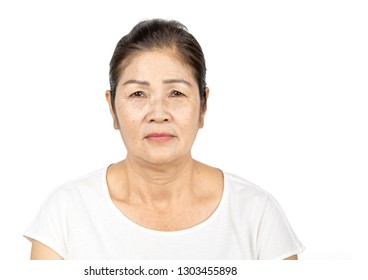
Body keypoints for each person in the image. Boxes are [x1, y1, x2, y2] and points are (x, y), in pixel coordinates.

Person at [24, 18, 305, 260]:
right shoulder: (65, 213)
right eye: (138, 94)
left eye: (176, 93)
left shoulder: (256, 214)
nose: (158, 114)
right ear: (112, 108)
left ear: (203, 106)